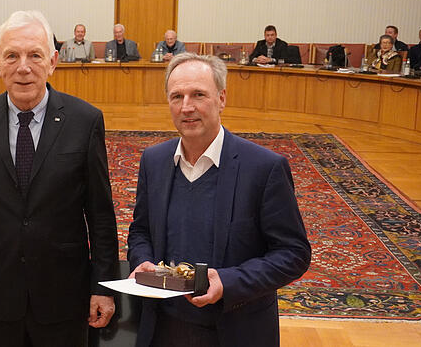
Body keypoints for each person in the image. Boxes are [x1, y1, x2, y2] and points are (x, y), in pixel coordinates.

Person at [0, 10, 118, 347]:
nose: (23, 66)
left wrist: (104, 287)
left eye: (34, 55)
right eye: (12, 55)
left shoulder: (85, 121)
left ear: (52, 61)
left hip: (64, 292)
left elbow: (100, 215)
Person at [127, 53, 311, 347]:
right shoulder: (154, 160)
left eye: (198, 95)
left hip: (235, 329)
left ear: (222, 98)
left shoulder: (263, 167)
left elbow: (293, 253)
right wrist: (143, 261)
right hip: (161, 328)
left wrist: (229, 282)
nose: (187, 107)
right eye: (177, 96)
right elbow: (140, 231)